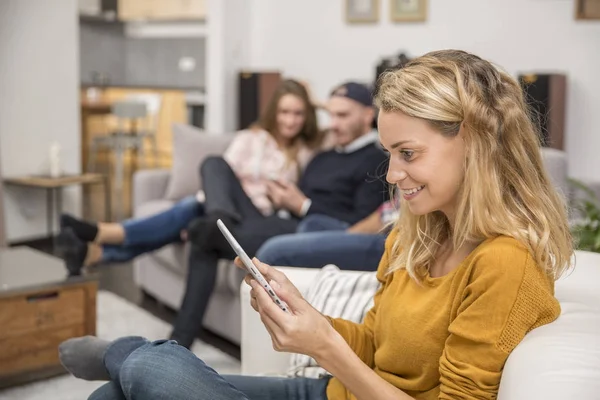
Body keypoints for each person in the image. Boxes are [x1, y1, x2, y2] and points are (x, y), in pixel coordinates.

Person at [59, 49, 573, 400]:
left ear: (475, 146)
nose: (393, 175)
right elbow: (375, 344)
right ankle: (129, 361)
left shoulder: (505, 262)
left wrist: (323, 348)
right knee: (118, 395)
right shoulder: (417, 234)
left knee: (148, 372)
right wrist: (312, 319)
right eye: (390, 153)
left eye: (408, 153)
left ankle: (124, 353)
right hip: (330, 391)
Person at [169, 81, 388, 348]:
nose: (333, 124)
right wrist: (281, 199)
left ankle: (178, 344)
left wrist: (303, 205)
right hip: (276, 221)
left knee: (203, 234)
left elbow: (357, 226)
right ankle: (220, 218)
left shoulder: (375, 160)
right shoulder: (324, 156)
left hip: (306, 232)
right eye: (330, 115)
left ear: (369, 115)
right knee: (214, 164)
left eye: (342, 116)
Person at [57, 79, 323, 276]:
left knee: (187, 211)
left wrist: (315, 103)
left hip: (253, 218)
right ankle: (96, 252)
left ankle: (100, 233)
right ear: (274, 113)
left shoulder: (305, 152)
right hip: (222, 206)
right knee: (191, 208)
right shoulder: (250, 138)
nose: (290, 120)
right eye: (285, 112)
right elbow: (220, 175)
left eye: (298, 113)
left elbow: (336, 127)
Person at [255, 198, 398, 271]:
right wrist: (345, 239)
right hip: (385, 223)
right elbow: (388, 212)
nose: (390, 176)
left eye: (407, 154)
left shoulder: (369, 159)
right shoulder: (321, 159)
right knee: (312, 224)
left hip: (396, 238)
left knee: (272, 252)